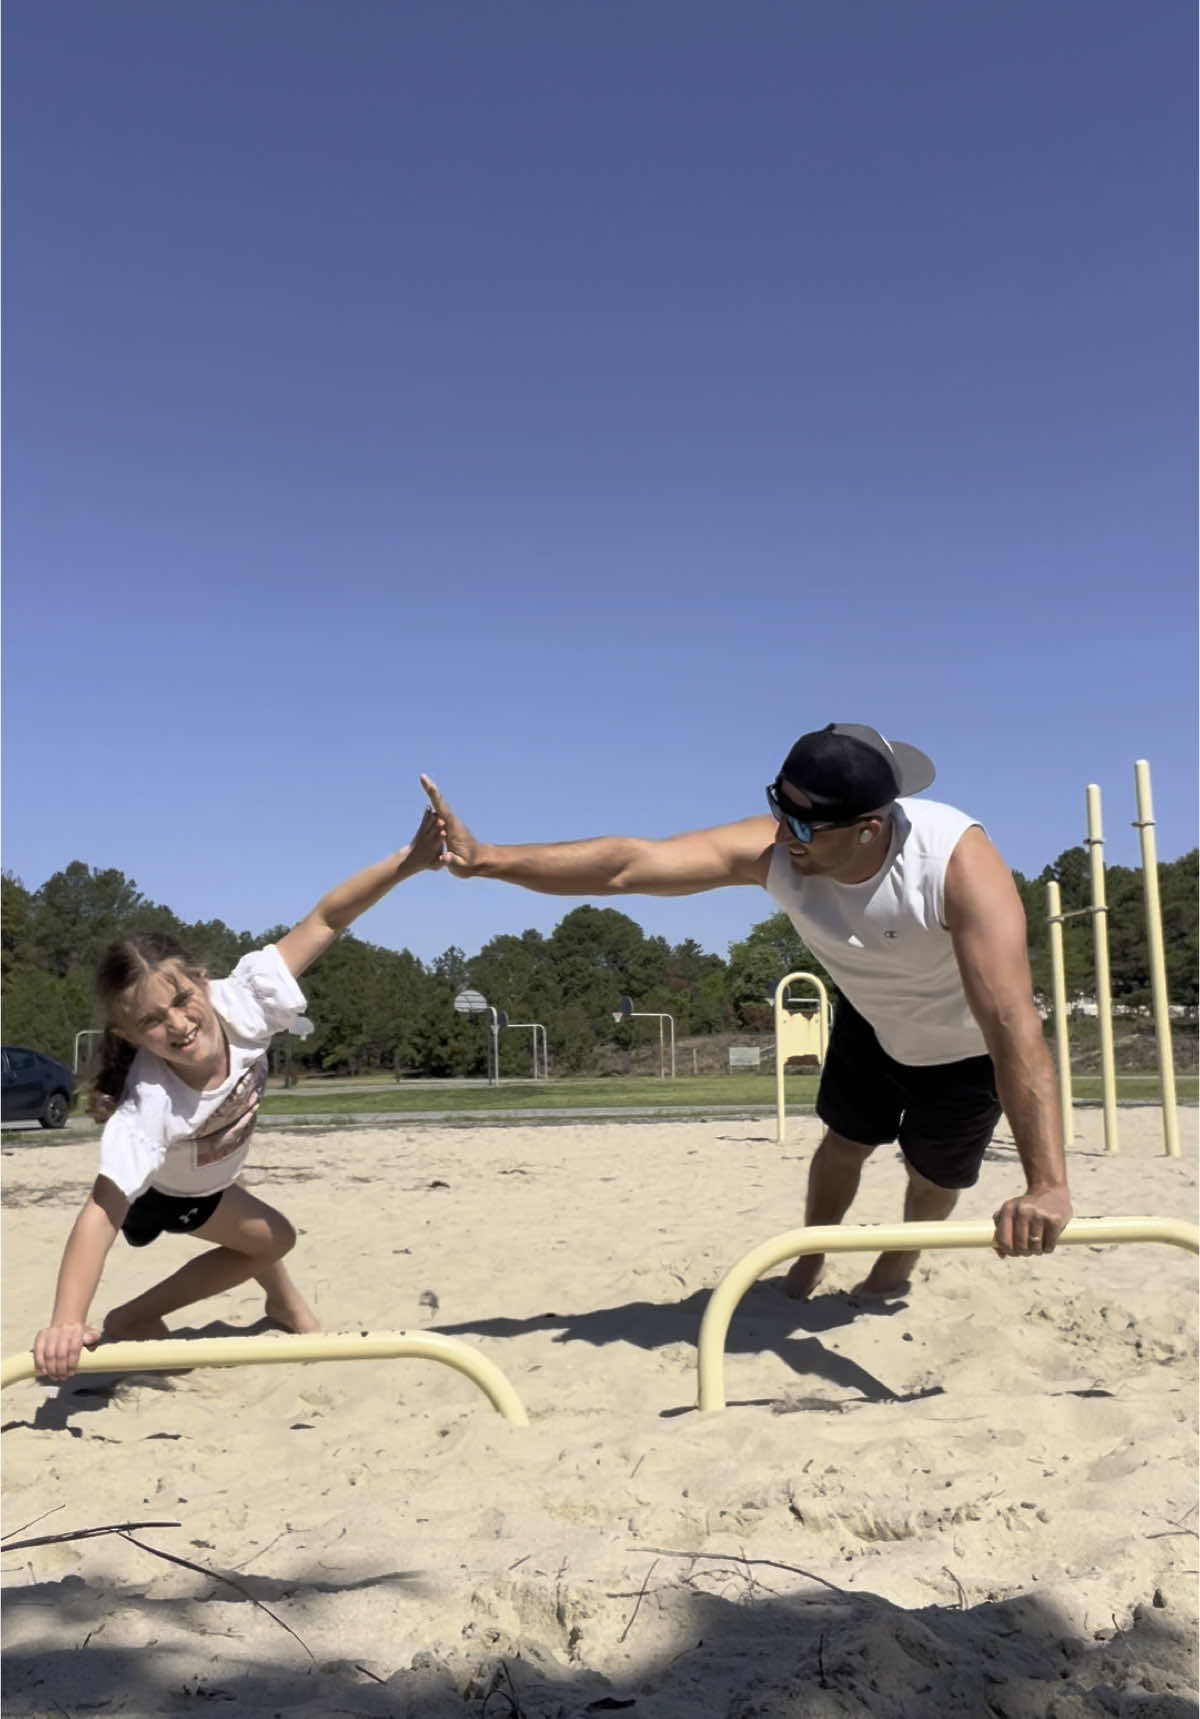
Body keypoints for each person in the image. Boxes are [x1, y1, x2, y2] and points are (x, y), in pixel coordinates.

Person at [419, 724, 1072, 1298]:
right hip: (871, 1020)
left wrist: (1045, 1182)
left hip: (964, 1049)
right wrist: (486, 861)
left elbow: (1013, 1023)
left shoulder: (953, 863)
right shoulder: (777, 851)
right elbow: (630, 865)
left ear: (868, 828)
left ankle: (892, 1270)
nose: (783, 836)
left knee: (931, 1174)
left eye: (804, 825)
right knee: (842, 1144)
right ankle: (810, 1257)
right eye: (777, 812)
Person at [32, 803, 444, 1381]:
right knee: (274, 1239)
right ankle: (133, 1316)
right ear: (128, 1035)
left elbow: (326, 919)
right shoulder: (150, 1106)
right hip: (172, 1191)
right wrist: (65, 1320)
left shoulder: (246, 1000)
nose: (177, 1025)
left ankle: (282, 1304)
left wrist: (409, 862)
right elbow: (101, 1212)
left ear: (202, 979)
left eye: (181, 1001)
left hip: (211, 1171)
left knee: (252, 1214)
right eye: (153, 1022)